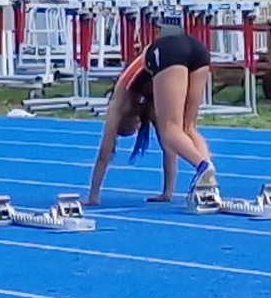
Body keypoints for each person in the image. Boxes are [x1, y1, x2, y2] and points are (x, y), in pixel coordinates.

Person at [83, 18, 218, 207]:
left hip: (166, 50)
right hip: (197, 49)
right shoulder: (150, 104)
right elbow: (169, 150)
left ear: (123, 122)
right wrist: (167, 192)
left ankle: (203, 166)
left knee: (170, 130)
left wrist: (93, 196)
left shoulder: (118, 102)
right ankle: (209, 180)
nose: (137, 127)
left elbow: (105, 152)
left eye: (129, 129)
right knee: (187, 128)